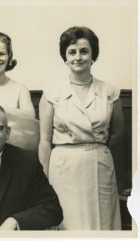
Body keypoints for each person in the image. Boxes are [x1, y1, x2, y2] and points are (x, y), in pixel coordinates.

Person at [38, 26, 124, 230]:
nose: (78, 57)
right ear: (65, 57)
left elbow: (119, 133)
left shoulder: (110, 91)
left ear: (93, 55)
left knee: (101, 223)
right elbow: (44, 140)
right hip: (63, 167)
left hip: (99, 166)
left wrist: (96, 151)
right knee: (67, 222)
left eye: (84, 51)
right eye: (72, 52)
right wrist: (42, 181)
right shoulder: (52, 92)